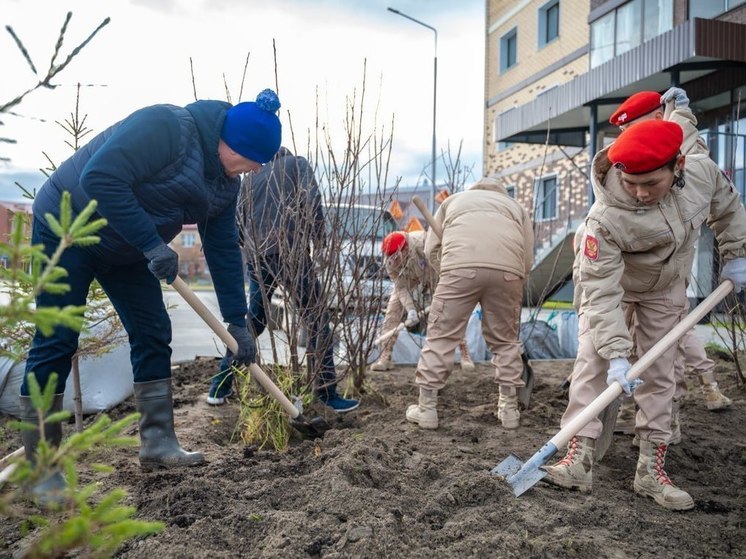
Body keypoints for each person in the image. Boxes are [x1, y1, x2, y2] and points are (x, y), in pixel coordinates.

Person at [21, 89, 282, 500]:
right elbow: (101, 177)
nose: (251, 170)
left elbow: (223, 248)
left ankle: (158, 443)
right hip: (67, 227)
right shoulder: (165, 127)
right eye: (251, 160)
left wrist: (237, 321)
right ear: (230, 144)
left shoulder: (224, 185)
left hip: (123, 246)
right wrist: (152, 244)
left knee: (152, 330)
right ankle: (41, 470)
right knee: (56, 338)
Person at [541, 119, 746, 511]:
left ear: (678, 165)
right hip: (613, 290)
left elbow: (729, 206)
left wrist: (736, 253)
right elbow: (601, 295)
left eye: (651, 183)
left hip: (666, 287)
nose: (639, 192)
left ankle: (650, 471)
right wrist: (618, 354)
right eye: (631, 182)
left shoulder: (703, 174)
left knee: (660, 372)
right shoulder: (603, 221)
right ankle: (578, 459)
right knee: (592, 362)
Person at [609, 88, 731, 442]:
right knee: (633, 339)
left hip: (672, 259)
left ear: (656, 116)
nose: (627, 137)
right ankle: (645, 414)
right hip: (636, 265)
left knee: (671, 338)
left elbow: (706, 183)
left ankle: (670, 417)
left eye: (632, 126)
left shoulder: (680, 144)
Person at [206, 147, 359, 412]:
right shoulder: (297, 164)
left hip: (258, 254)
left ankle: (220, 386)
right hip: (291, 252)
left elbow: (238, 222)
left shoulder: (251, 177)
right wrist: (319, 239)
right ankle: (326, 393)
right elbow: (312, 200)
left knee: (254, 321)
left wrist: (251, 248)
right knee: (317, 318)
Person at [405, 177, 533, 430]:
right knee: (506, 341)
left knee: (441, 337)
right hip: (508, 273)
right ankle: (508, 410)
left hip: (458, 268)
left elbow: (432, 248)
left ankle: (427, 409)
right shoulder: (516, 208)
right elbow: (527, 256)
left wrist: (451, 273)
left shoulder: (453, 201)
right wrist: (513, 278)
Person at [371, 230, 475, 373]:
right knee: (392, 310)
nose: (393, 261)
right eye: (390, 257)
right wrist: (411, 309)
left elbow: (441, 265)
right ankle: (386, 355)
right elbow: (401, 288)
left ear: (405, 248)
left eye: (396, 257)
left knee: (448, 312)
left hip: (434, 273)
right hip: (410, 277)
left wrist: (439, 292)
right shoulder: (390, 261)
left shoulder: (424, 243)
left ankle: (464, 351)